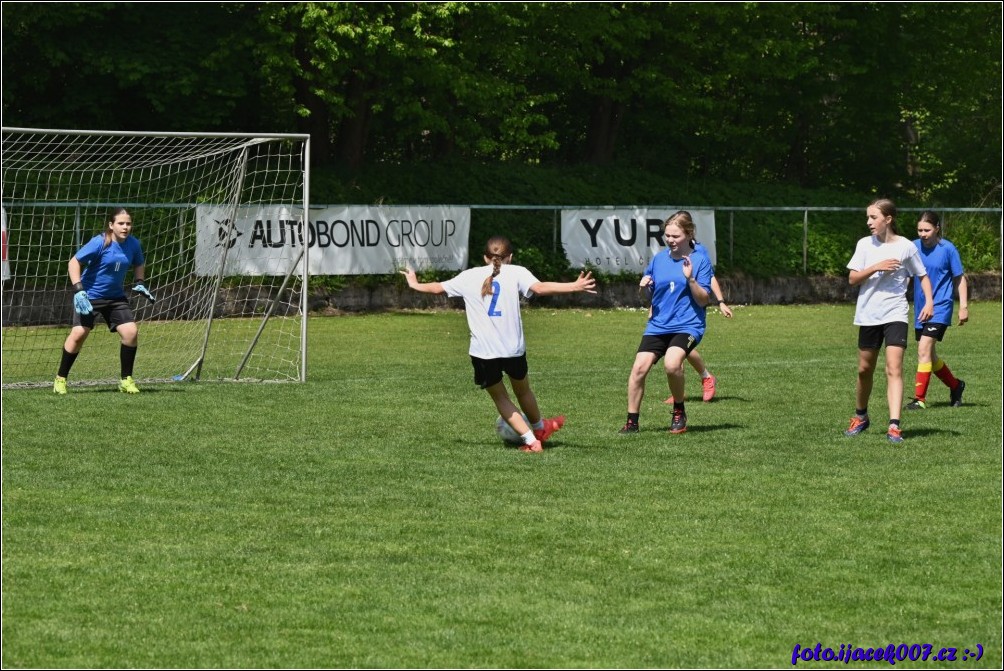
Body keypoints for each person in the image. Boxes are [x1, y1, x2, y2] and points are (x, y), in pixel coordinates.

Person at [400, 236, 596, 453]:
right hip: (514, 349)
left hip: (484, 353)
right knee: (523, 390)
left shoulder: (469, 276)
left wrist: (414, 283)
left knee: (501, 397)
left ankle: (532, 441)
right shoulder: (517, 272)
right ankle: (540, 428)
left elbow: (438, 288)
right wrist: (574, 286)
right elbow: (540, 288)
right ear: (510, 257)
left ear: (485, 257)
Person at [844, 199, 933, 444]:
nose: (869, 222)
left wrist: (928, 302)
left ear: (888, 219)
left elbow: (922, 276)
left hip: (895, 313)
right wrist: (876, 267)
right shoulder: (864, 245)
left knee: (894, 368)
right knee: (865, 370)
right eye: (868, 218)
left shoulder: (905, 246)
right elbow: (853, 278)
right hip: (869, 314)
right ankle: (861, 416)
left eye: (873, 217)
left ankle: (894, 425)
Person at [621, 211, 713, 435]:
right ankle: (632, 422)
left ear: (688, 234)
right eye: (667, 236)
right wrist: (644, 288)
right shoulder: (659, 260)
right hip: (659, 325)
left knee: (672, 364)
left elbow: (703, 300)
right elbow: (651, 298)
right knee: (639, 368)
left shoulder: (700, 260)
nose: (670, 240)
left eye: (675, 236)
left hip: (688, 325)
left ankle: (679, 411)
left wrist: (690, 279)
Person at [53, 207, 155, 395]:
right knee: (79, 334)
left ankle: (126, 380)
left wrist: (140, 282)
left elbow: (139, 262)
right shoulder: (100, 242)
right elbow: (74, 262)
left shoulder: (133, 244)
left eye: (128, 223)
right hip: (89, 296)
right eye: (121, 223)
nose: (125, 227)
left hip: (115, 298)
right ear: (111, 225)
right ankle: (60, 379)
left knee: (131, 332)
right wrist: (78, 290)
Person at [906, 210, 968, 410]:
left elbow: (960, 278)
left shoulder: (948, 249)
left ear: (937, 229)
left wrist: (963, 307)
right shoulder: (913, 247)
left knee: (923, 349)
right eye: (919, 230)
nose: (922, 234)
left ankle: (919, 399)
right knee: (930, 356)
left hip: (940, 307)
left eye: (927, 230)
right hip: (920, 309)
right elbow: (906, 274)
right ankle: (956, 385)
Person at [659, 240, 733, 404]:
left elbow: (710, 276)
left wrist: (720, 301)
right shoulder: (668, 253)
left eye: (676, 233)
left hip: (690, 311)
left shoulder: (699, 251)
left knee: (679, 346)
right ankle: (680, 392)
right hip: (670, 310)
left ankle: (706, 377)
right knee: (674, 347)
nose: (671, 238)